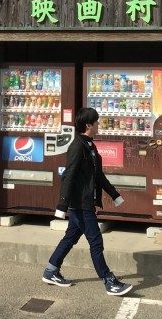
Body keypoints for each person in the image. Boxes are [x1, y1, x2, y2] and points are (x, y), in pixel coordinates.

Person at [41, 107, 132, 296]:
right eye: (96, 122)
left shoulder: (90, 145)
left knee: (71, 237)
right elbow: (69, 175)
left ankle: (50, 271)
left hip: (84, 203)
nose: (99, 124)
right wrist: (62, 204)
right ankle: (109, 281)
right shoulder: (77, 146)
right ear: (88, 125)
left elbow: (98, 175)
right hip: (80, 204)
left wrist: (114, 195)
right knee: (96, 242)